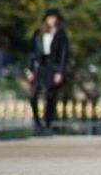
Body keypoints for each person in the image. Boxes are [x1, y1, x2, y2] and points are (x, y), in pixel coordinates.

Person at [25, 8, 69, 136]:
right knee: (33, 95)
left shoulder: (61, 34)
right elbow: (32, 52)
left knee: (50, 96)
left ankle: (48, 123)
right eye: (50, 18)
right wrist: (30, 69)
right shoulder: (38, 33)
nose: (53, 20)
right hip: (40, 67)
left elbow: (63, 54)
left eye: (55, 18)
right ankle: (37, 122)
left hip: (53, 68)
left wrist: (60, 72)